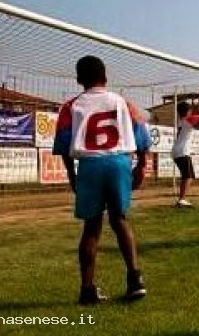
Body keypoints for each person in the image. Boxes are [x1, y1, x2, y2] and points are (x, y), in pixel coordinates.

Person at [53, 55, 151, 305]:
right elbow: (142, 136)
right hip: (119, 162)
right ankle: (135, 280)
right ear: (105, 78)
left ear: (78, 79)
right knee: (120, 220)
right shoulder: (123, 102)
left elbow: (64, 146)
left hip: (90, 165)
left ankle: (87, 290)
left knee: (92, 227)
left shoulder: (70, 106)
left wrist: (72, 175)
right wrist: (141, 165)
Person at [171, 98, 199, 208]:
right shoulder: (189, 119)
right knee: (188, 176)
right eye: (190, 110)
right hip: (182, 151)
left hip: (177, 151)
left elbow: (198, 115)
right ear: (188, 111)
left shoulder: (182, 121)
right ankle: (182, 199)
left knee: (187, 176)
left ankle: (182, 199)